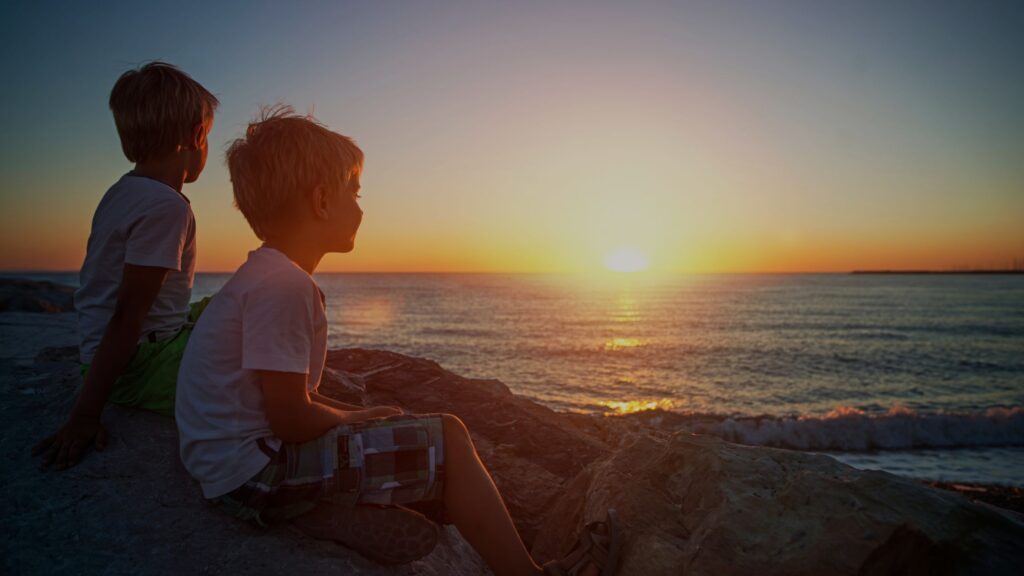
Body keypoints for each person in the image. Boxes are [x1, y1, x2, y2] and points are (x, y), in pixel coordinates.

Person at [174, 107, 621, 576]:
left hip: (229, 468)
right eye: (355, 191)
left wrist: (357, 419)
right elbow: (288, 418)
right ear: (323, 201)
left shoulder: (263, 276)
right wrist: (356, 417)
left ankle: (329, 511)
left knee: (392, 430)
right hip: (255, 474)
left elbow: (284, 396)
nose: (361, 207)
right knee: (447, 437)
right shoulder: (284, 286)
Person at [33, 62, 218, 470]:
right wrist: (84, 415)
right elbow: (126, 315)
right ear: (197, 135)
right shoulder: (166, 207)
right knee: (255, 340)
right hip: (140, 370)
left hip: (116, 356)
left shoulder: (122, 191)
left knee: (231, 305)